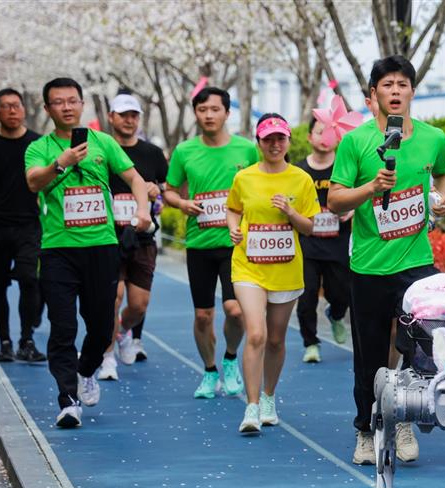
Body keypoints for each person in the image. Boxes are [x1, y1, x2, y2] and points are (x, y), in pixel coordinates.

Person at [329, 55, 445, 465]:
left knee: (422, 346)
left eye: (402, 84)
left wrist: (440, 199)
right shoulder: (356, 142)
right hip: (369, 267)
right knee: (368, 358)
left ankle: (402, 419)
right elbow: (334, 198)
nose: (395, 91)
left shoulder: (434, 138)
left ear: (412, 92)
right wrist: (370, 187)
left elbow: (444, 173)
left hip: (416, 263)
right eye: (387, 85)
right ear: (373, 95)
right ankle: (365, 428)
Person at [24, 77, 151, 428]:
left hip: (101, 247)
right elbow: (33, 182)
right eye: (58, 102)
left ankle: (86, 369)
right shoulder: (40, 148)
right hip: (58, 250)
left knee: (100, 324)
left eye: (72, 101)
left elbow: (136, 179)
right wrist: (60, 163)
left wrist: (142, 209)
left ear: (82, 105)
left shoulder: (103, 142)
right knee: (62, 326)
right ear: (48, 108)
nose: (66, 107)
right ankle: (67, 399)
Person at [164, 87, 259, 399]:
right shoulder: (184, 151)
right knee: (203, 315)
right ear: (196, 113)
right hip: (200, 244)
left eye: (215, 109)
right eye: (202, 109)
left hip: (237, 245)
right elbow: (169, 190)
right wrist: (181, 204)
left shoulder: (246, 150)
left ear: (227, 113)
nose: (209, 115)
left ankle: (230, 358)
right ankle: (209, 370)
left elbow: (263, 182)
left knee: (235, 311)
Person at [226, 114, 319, 433]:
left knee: (277, 339)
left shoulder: (301, 180)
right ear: (259, 142)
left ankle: (268, 397)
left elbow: (309, 227)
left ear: (289, 141)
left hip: (285, 268)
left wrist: (291, 212)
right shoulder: (245, 178)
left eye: (280, 138)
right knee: (256, 334)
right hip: (248, 266)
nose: (275, 144)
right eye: (268, 139)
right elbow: (233, 208)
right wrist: (233, 229)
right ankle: (250, 408)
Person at [97, 91, 168, 381]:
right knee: (112, 297)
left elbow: (165, 191)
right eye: (123, 114)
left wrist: (156, 194)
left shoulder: (151, 154)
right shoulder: (100, 150)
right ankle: (107, 356)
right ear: (111, 117)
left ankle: (123, 331)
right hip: (108, 236)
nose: (129, 120)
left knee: (138, 305)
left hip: (141, 238)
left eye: (133, 115)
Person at [0, 88, 45, 363]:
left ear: (24, 109)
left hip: (30, 226)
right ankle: (5, 342)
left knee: (30, 280)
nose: (12, 111)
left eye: (16, 105)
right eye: (6, 106)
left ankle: (27, 340)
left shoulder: (38, 143)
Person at [295, 115, 352, 363]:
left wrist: (350, 209)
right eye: (319, 132)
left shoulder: (345, 167)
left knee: (341, 293)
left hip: (338, 244)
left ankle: (336, 315)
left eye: (329, 133)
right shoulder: (298, 170)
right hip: (306, 244)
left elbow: (360, 196)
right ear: (309, 137)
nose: (324, 138)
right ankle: (311, 343)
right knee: (306, 296)